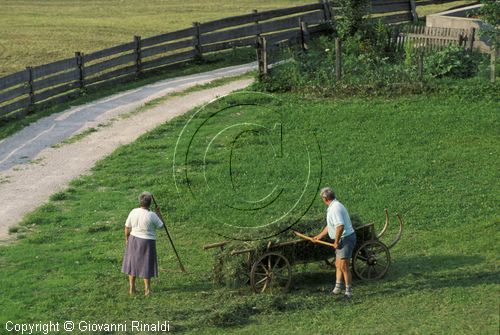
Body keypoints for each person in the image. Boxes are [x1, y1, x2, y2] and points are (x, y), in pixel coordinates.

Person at [313, 187, 356, 299]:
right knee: (338, 265)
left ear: (325, 198)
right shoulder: (333, 206)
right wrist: (319, 236)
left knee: (344, 266)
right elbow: (330, 225)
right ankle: (337, 289)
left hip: (345, 239)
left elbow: (340, 226)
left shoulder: (335, 208)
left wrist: (336, 241)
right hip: (341, 239)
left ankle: (348, 292)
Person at [121, 192, 164, 296]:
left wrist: (127, 239)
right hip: (147, 242)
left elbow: (127, 227)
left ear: (140, 202)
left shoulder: (133, 211)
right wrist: (159, 213)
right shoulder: (152, 215)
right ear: (150, 204)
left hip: (133, 239)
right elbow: (161, 226)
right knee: (146, 264)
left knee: (132, 263)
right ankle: (147, 290)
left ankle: (132, 288)